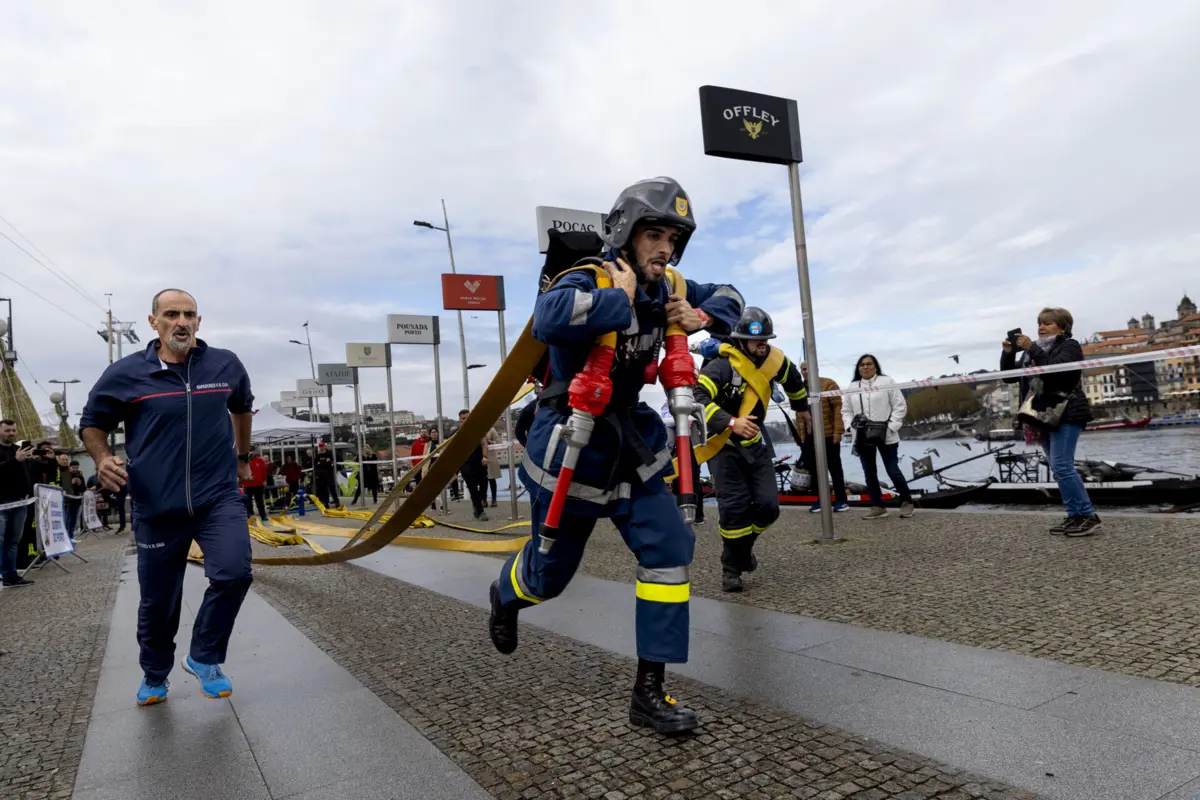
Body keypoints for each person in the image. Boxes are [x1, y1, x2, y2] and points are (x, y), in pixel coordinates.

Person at [487, 176, 745, 734]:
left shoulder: (671, 284)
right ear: (627, 234)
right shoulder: (588, 276)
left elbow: (730, 294)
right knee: (550, 575)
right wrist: (618, 300)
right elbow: (550, 317)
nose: (664, 249)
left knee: (671, 550)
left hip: (633, 440)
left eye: (673, 239)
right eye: (654, 235)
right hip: (573, 441)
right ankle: (506, 594)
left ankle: (649, 692)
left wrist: (708, 317)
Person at [80, 288, 255, 706]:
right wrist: (103, 457)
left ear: (199, 321)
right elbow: (91, 423)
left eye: (189, 314)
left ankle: (204, 657)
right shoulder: (128, 374)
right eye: (172, 314)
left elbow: (242, 407)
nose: (181, 321)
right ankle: (155, 674)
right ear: (153, 321)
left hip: (217, 498)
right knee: (159, 602)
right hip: (156, 505)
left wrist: (243, 458)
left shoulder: (224, 364)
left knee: (234, 573)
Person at [693, 308, 810, 593]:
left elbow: (793, 380)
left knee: (769, 508)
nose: (763, 345)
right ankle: (731, 568)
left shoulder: (773, 361)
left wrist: (802, 408)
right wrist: (731, 422)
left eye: (765, 340)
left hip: (757, 447)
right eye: (755, 340)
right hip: (725, 448)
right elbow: (697, 397)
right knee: (734, 511)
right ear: (741, 341)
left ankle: (742, 552)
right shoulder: (721, 366)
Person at [1002, 307, 1099, 536]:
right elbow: (1009, 376)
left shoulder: (1069, 346)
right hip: (1042, 414)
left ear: (1063, 326)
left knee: (1062, 465)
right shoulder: (1030, 353)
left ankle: (1088, 515)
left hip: (1067, 412)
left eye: (1047, 323)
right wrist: (1008, 354)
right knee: (1058, 468)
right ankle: (1075, 514)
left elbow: (1056, 373)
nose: (1041, 327)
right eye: (1039, 323)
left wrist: (1032, 348)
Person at [841, 354, 914, 520]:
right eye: (862, 365)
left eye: (869, 364)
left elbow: (899, 405)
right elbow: (846, 410)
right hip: (862, 435)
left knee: (893, 470)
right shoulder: (852, 386)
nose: (865, 367)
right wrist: (849, 425)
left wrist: (892, 426)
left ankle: (907, 502)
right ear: (858, 368)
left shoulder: (887, 382)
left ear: (875, 366)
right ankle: (878, 506)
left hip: (886, 434)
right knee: (869, 473)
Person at [800, 361, 850, 513]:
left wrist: (838, 431)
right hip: (810, 435)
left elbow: (838, 408)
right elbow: (798, 413)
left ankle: (841, 500)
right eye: (803, 369)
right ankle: (821, 499)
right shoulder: (800, 389)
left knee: (834, 467)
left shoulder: (829, 384)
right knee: (813, 468)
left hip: (828, 433)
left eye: (808, 368)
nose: (805, 371)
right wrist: (801, 435)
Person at [0, 421, 35, 588]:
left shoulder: (17, 450)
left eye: (13, 430)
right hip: (2, 502)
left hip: (20, 501)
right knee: (0, 540)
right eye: (7, 430)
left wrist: (28, 489)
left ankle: (10, 574)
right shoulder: (13, 454)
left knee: (13, 540)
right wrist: (15, 461)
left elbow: (25, 472)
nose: (11, 433)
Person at [457, 409, 490, 521]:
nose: (466, 420)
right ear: (460, 420)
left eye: (468, 417)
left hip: (479, 461)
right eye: (463, 418)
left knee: (484, 485)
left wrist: (485, 456)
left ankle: (477, 504)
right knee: (473, 489)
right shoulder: (456, 433)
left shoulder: (478, 430)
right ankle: (480, 512)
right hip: (465, 464)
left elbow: (484, 443)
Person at [241, 448, 268, 522]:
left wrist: (264, 480)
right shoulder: (243, 461)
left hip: (258, 485)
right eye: (250, 451)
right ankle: (248, 517)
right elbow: (240, 471)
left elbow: (264, 471)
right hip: (248, 485)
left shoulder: (260, 461)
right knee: (248, 502)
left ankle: (263, 516)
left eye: (252, 451)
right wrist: (247, 477)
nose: (251, 452)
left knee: (260, 502)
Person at [313, 441, 340, 509]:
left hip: (329, 473)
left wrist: (324, 463)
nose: (321, 448)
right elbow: (316, 465)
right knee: (324, 489)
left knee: (332, 487)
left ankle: (336, 501)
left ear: (324, 446)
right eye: (320, 446)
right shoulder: (317, 456)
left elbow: (330, 462)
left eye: (322, 446)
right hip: (321, 475)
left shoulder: (329, 454)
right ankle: (326, 503)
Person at [486, 426, 502, 507]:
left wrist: (490, 442)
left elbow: (498, 441)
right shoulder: (475, 429)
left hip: (490, 456)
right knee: (481, 480)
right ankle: (484, 500)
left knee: (491, 479)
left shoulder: (491, 429)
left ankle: (494, 499)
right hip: (478, 456)